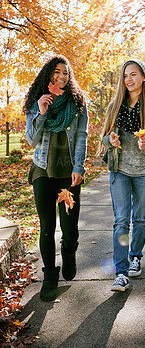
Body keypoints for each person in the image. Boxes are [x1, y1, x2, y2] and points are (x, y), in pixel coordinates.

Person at [23, 55, 88, 302]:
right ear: (49, 74)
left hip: (68, 171)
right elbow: (31, 140)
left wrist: (79, 167)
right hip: (42, 169)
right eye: (57, 72)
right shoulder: (37, 102)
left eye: (66, 73)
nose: (62, 76)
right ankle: (50, 277)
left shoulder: (78, 102)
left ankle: (69, 251)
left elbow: (81, 136)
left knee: (69, 228)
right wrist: (41, 112)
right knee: (47, 226)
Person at [100, 59, 145, 292]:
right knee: (120, 221)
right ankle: (121, 272)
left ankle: (136, 256)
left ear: (144, 77)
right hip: (120, 170)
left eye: (133, 74)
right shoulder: (115, 106)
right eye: (125, 75)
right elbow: (104, 139)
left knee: (139, 218)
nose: (128, 79)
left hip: (143, 172)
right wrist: (111, 140)